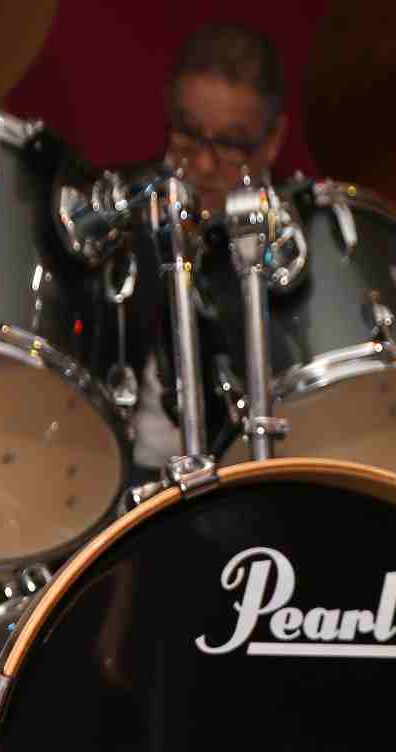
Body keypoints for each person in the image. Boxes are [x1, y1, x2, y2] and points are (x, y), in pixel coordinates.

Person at [125, 24, 289, 477]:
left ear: (273, 139)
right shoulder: (124, 216)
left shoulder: (303, 235)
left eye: (231, 145)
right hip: (134, 481)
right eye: (189, 135)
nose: (202, 163)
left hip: (267, 477)